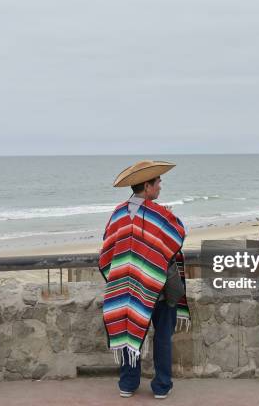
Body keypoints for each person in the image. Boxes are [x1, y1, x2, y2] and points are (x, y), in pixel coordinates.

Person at [99, 160, 190, 400]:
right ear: (147, 186)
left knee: (130, 331)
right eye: (158, 182)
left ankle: (127, 384)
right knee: (162, 336)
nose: (161, 185)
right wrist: (169, 215)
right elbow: (178, 234)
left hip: (126, 287)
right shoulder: (161, 214)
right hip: (157, 286)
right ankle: (161, 386)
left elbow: (108, 249)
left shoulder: (118, 213)